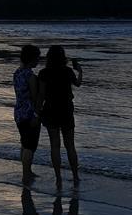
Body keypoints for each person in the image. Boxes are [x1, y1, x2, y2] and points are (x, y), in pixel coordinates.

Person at [38, 45, 82, 189]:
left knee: (55, 146)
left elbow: (41, 95)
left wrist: (37, 111)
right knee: (70, 146)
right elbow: (78, 84)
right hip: (66, 110)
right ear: (63, 57)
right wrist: (80, 71)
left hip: (50, 110)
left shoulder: (44, 73)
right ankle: (75, 176)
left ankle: (58, 178)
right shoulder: (68, 71)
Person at [13, 44, 42, 184]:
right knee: (30, 146)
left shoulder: (17, 72)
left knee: (24, 144)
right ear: (32, 58)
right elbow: (35, 98)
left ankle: (27, 171)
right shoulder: (30, 76)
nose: (39, 60)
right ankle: (26, 174)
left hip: (19, 112)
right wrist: (36, 115)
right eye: (37, 57)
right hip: (29, 114)